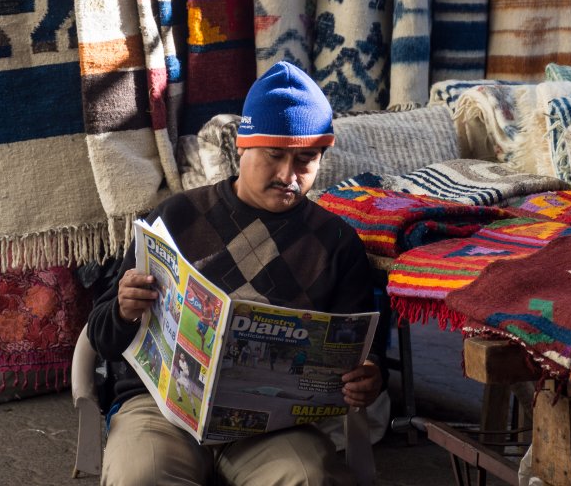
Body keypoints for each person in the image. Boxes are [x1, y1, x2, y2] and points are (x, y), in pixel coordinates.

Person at [87, 61, 383, 486]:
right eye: (274, 155)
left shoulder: (336, 243)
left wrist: (368, 377)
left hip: (274, 424)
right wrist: (123, 310)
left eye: (306, 160)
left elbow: (362, 351)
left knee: (307, 478)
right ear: (243, 147)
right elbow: (101, 337)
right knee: (140, 477)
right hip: (161, 409)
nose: (288, 176)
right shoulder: (176, 216)